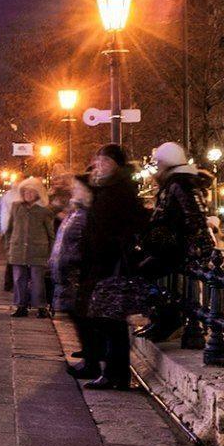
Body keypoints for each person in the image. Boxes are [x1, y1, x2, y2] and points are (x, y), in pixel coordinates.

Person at [71, 143, 144, 389]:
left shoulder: (119, 190)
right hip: (101, 262)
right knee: (106, 319)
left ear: (117, 165)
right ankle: (112, 373)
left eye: (105, 162)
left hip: (111, 263)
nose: (99, 166)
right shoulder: (108, 188)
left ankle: (116, 375)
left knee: (110, 320)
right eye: (98, 161)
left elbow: (122, 226)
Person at [136, 142, 214, 342]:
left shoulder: (179, 183)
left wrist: (189, 243)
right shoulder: (182, 181)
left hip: (176, 247)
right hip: (175, 245)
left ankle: (168, 321)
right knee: (155, 278)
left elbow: (192, 216)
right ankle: (161, 320)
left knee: (146, 273)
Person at [5, 181, 58, 317]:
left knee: (38, 280)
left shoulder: (44, 210)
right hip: (18, 249)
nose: (28, 194)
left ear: (38, 193)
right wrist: (8, 247)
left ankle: (41, 307)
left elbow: (50, 233)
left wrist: (51, 253)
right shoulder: (16, 207)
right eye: (25, 191)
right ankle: (21, 306)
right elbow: (10, 229)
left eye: (31, 191)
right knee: (19, 279)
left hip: (38, 250)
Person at [49, 174, 89, 317]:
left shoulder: (83, 216)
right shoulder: (75, 213)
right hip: (64, 281)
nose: (74, 190)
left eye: (77, 188)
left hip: (72, 281)